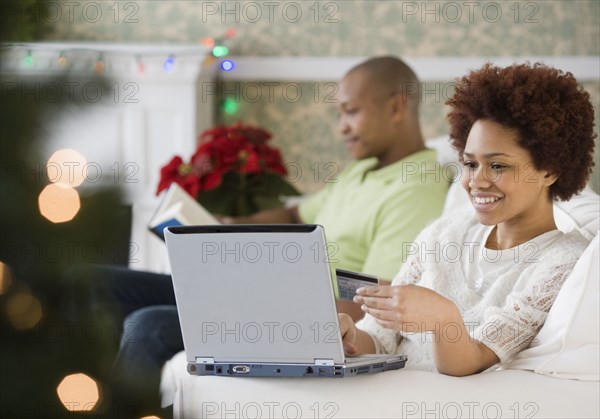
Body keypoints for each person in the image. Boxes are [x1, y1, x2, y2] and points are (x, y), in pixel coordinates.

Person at [67, 56, 448, 416]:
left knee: (147, 326)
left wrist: (288, 288)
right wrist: (224, 228)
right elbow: (295, 213)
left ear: (397, 107)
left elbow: (380, 300)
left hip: (291, 317)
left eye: (350, 112)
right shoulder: (361, 170)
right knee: (93, 283)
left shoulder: (416, 189)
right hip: (253, 292)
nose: (341, 127)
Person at [339, 62, 596, 376]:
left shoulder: (564, 262)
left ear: (549, 170)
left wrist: (442, 318)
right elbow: (380, 339)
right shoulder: (446, 232)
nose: (477, 181)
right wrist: (350, 337)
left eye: (498, 166)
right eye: (470, 163)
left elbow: (472, 361)